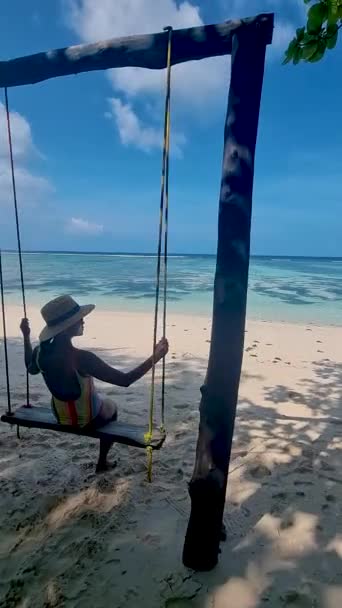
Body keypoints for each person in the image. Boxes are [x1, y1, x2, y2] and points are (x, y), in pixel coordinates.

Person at [20, 295, 169, 472]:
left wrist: (26, 336)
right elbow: (125, 381)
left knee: (93, 401)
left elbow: (30, 367)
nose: (83, 320)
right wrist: (156, 357)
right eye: (79, 319)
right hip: (88, 420)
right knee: (111, 406)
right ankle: (102, 462)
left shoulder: (40, 353)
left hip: (60, 416)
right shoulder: (82, 358)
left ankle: (102, 460)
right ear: (68, 327)